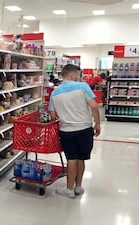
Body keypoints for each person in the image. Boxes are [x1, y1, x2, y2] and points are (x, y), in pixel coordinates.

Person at [48, 64, 101, 199]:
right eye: (78, 75)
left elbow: (53, 115)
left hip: (66, 130)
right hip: (85, 129)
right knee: (82, 158)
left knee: (71, 159)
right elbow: (94, 106)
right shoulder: (83, 86)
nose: (78, 77)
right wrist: (97, 123)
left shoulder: (55, 92)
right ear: (72, 75)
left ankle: (69, 189)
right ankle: (78, 187)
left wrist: (64, 116)